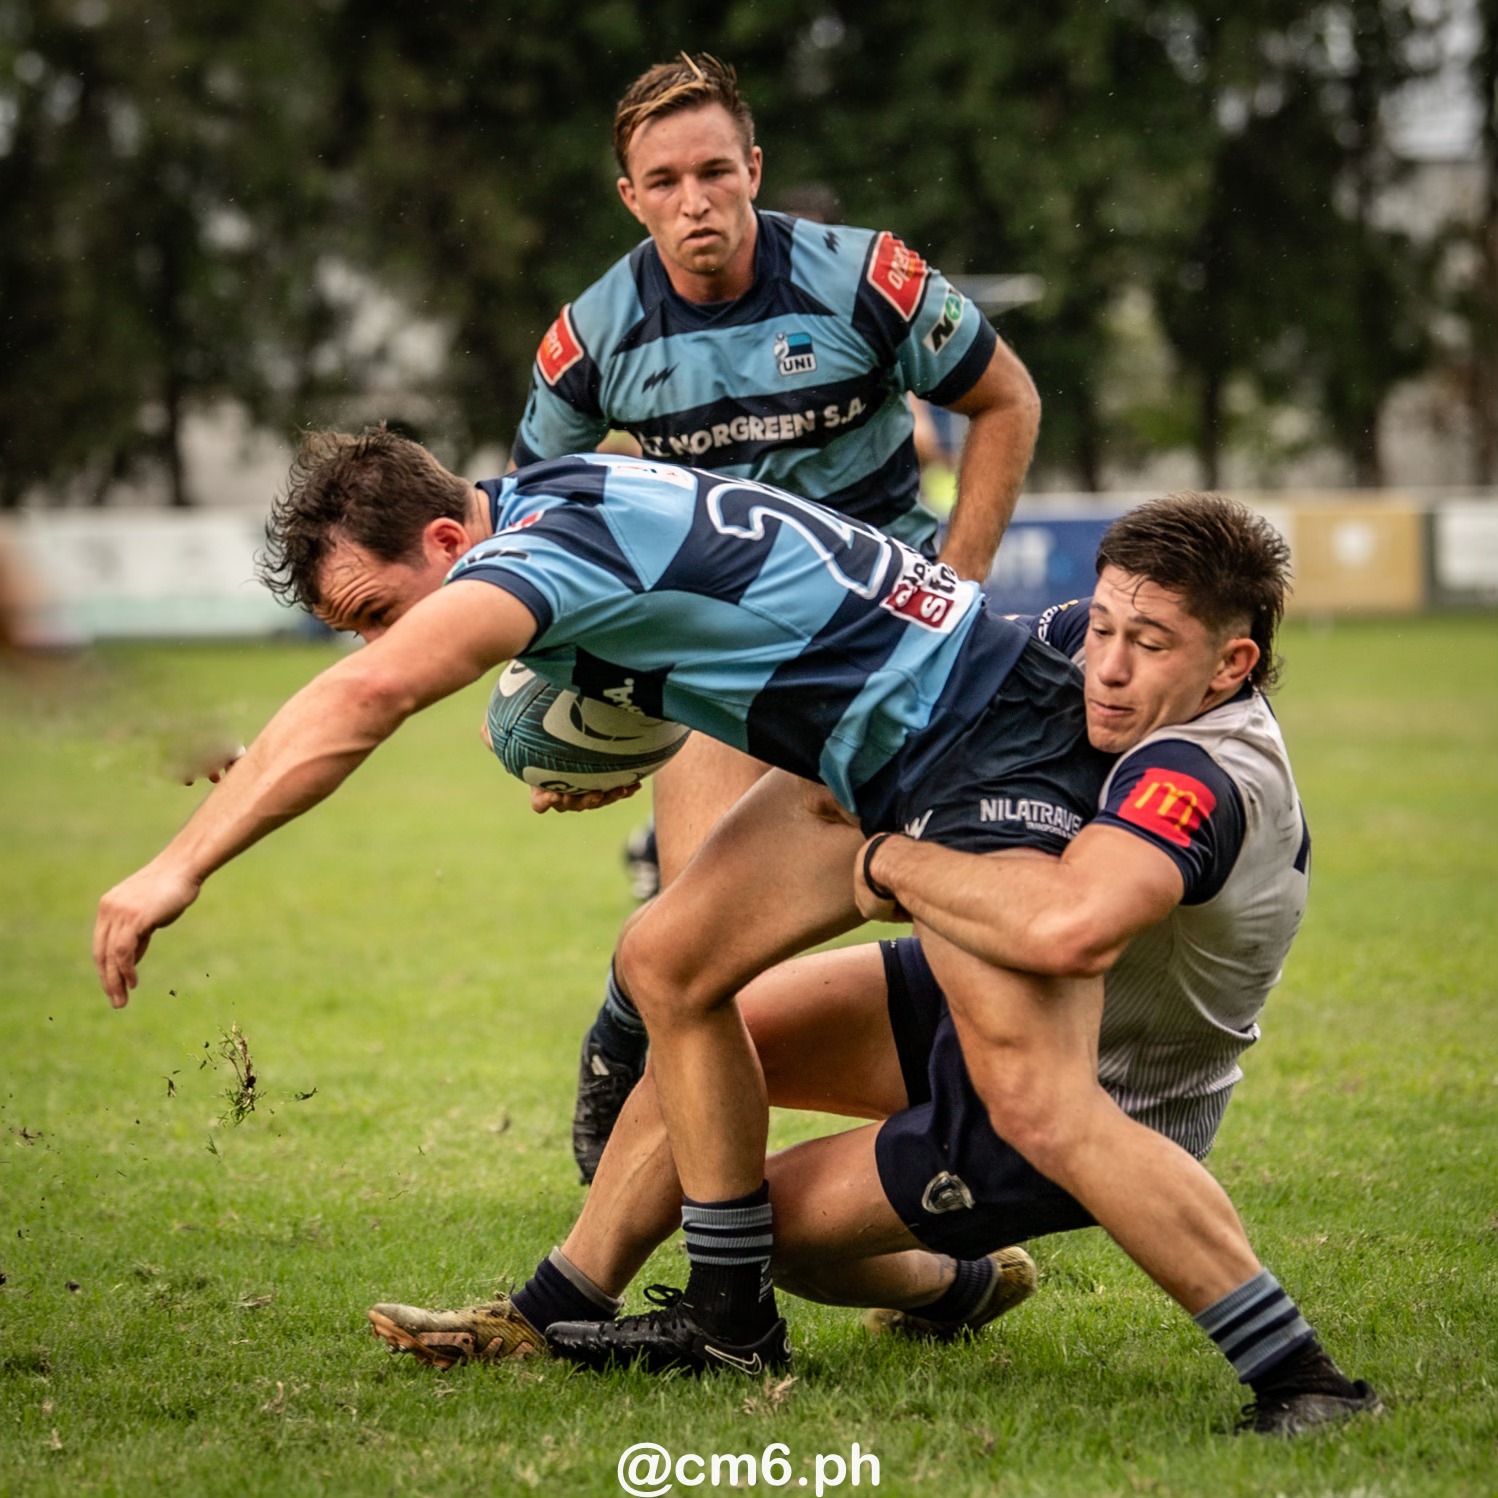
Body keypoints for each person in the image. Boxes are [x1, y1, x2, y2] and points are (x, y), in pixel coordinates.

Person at [366, 493, 1381, 1436]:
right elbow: (934, 708)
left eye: (1147, 644)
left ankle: (1300, 1380)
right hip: (971, 987)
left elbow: (1070, 927)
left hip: (1110, 1087)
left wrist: (885, 858)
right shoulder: (1081, 649)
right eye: (1106, 626)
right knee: (722, 1021)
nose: (1105, 664)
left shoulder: (1202, 774)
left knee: (768, 1229)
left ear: (1230, 663)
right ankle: (551, 1311)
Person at [93, 427, 1108, 1362]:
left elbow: (370, 696)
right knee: (666, 958)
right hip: (901, 720)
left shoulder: (535, 550)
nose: (378, 642)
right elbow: (710, 604)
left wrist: (177, 864)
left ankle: (1251, 1347)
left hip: (958, 734)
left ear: (449, 537)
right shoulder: (556, 495)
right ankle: (716, 1314)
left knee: (1051, 1104)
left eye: (376, 612)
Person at [508, 53, 1042, 1181]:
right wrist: (572, 713)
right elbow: (530, 533)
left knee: (976, 915)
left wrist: (960, 577)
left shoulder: (866, 280)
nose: (694, 200)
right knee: (696, 951)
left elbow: (1006, 398)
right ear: (631, 196)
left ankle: (968, 1154)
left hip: (886, 648)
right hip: (720, 655)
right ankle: (640, 1080)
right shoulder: (593, 338)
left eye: (714, 170)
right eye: (664, 181)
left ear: (756, 169)